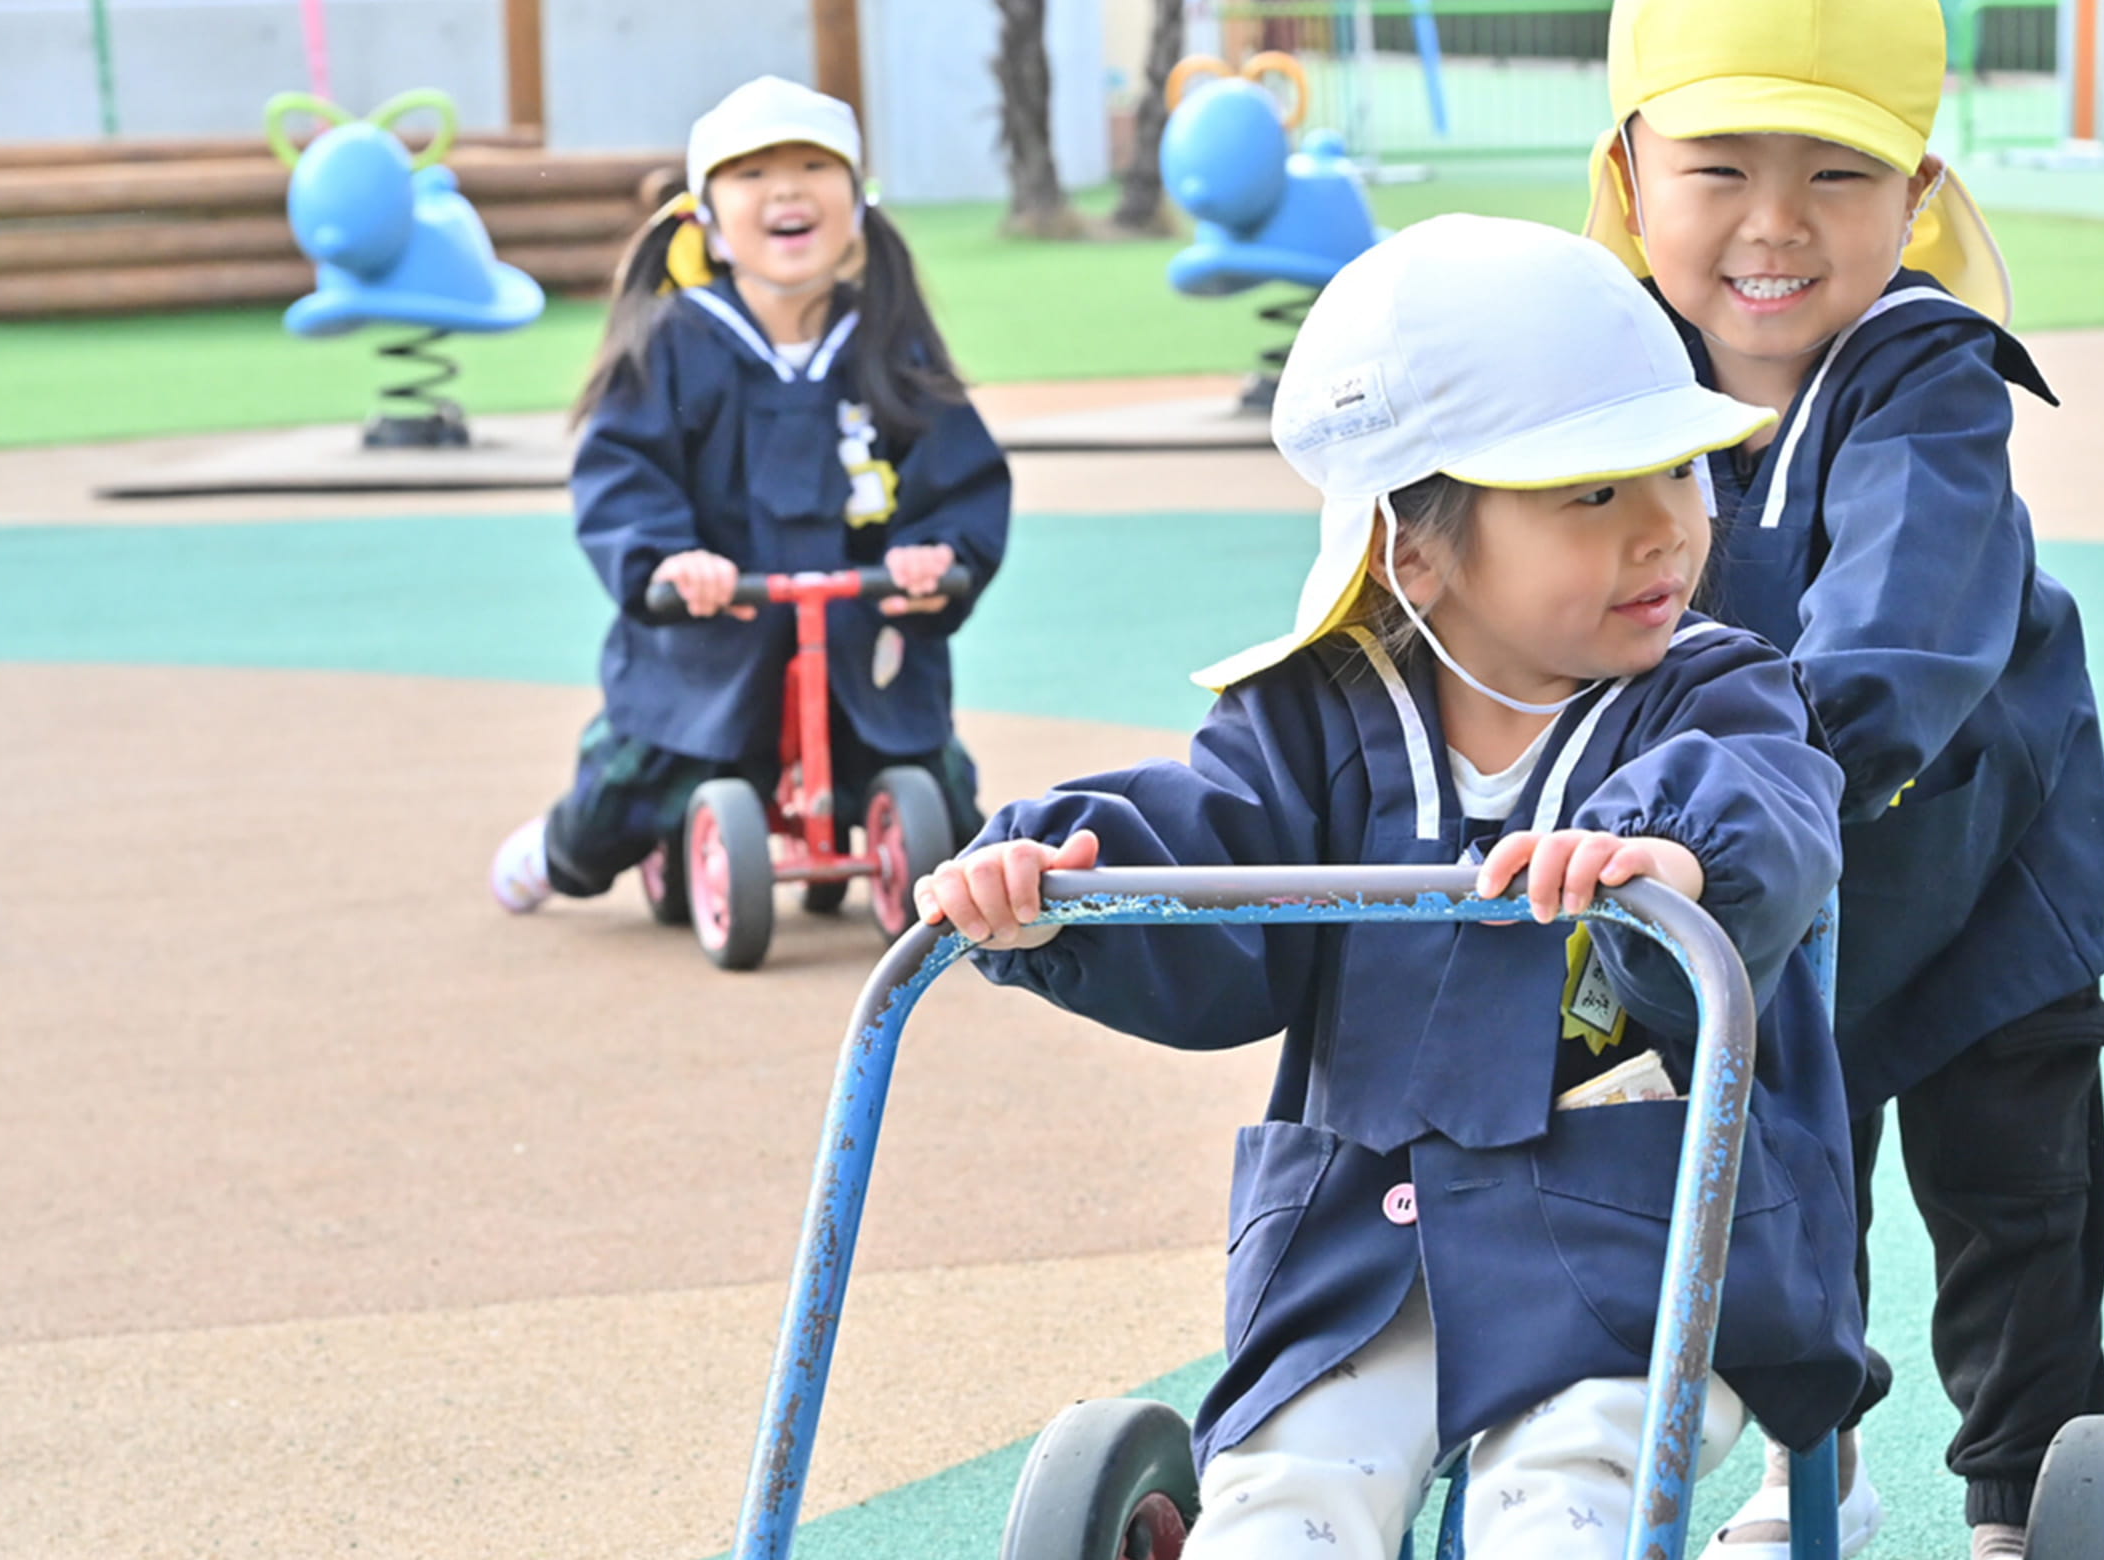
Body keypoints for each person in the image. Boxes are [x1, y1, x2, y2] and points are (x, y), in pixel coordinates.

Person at [917, 216, 1863, 1560]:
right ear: (1411, 553)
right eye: (1591, 495)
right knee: (1283, 1497)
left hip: (1635, 1244)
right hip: (1366, 1253)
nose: (1665, 528)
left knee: (1563, 1500)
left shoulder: (1712, 696)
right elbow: (1216, 874)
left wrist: (1672, 857)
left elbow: (1769, 799)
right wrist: (1063, 884)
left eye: (1678, 471)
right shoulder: (1316, 719)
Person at [1583, 4, 2104, 1558]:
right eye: (1720, 168)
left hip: (1966, 856)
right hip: (1742, 876)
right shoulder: (1607, 385)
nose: (1775, 223)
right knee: (1748, 1153)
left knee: (2008, 1180)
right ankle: (1807, 1457)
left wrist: (1759, 784)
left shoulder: (1925, 379)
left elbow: (1900, 618)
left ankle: (2028, 1502)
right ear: (1631, 172)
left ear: (1919, 199)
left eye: (1837, 174)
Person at [490, 76, 1009, 912]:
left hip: (861, 645)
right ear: (708, 224)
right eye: (753, 175)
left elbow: (959, 472)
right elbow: (624, 470)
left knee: (943, 800)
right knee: (625, 791)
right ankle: (558, 853)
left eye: (813, 165)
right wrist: (668, 560)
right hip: (714, 647)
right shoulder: (678, 344)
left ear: (857, 204)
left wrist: (942, 552)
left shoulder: (887, 345)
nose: (788, 190)